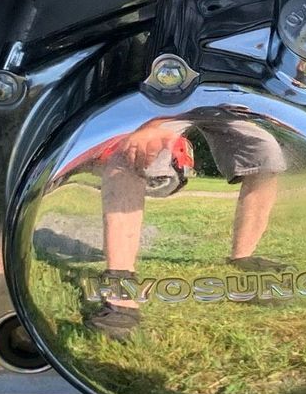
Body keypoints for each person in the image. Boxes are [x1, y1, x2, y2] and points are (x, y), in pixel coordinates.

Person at [70, 112, 289, 338]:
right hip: (166, 99)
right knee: (134, 150)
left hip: (220, 101)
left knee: (266, 151)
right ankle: (120, 286)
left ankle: (243, 257)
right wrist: (152, 123)